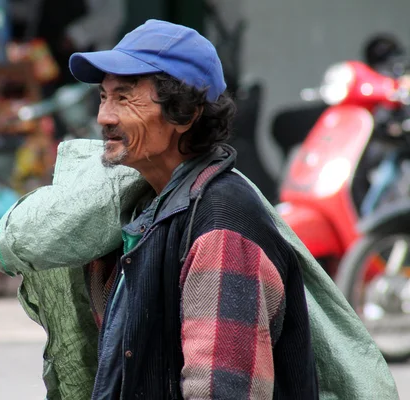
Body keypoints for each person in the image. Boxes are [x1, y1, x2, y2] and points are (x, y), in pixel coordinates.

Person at [64, 19, 318, 399]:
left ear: (184, 113)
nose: (104, 117)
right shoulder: (151, 207)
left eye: (124, 97)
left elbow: (220, 390)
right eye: (103, 96)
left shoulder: (221, 228)